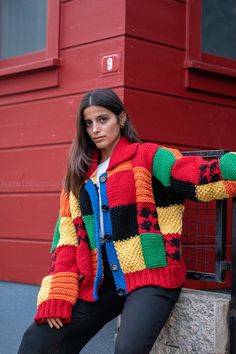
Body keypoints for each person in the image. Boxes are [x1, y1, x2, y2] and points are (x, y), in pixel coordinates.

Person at [18, 88, 236, 354]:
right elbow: (66, 240)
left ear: (121, 119)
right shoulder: (78, 176)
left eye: (103, 119)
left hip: (151, 277)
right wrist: (56, 296)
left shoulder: (149, 156)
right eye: (88, 123)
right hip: (102, 283)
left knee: (127, 350)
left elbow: (195, 176)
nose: (95, 129)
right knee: (38, 339)